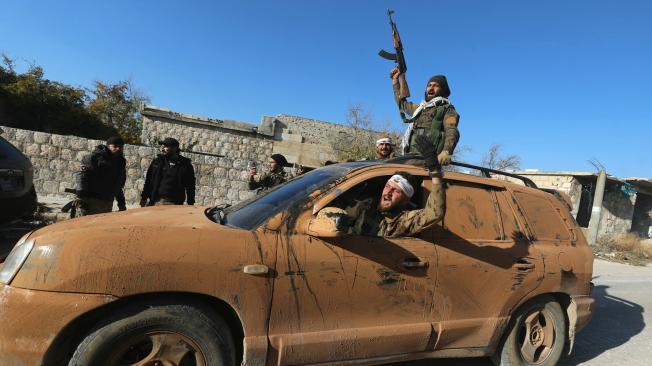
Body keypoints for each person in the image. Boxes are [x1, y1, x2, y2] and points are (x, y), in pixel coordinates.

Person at [327, 136, 445, 238]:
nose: (389, 192)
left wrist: (435, 172)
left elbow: (434, 214)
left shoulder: (399, 222)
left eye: (396, 190)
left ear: (406, 200)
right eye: (388, 186)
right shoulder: (366, 205)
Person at [390, 67, 460, 165]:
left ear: (442, 90)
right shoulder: (419, 109)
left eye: (436, 86)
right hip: (409, 156)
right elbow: (402, 104)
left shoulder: (447, 109)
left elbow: (451, 130)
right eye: (429, 85)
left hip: (427, 160)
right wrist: (395, 82)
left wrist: (447, 151)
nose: (431, 88)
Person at [76, 136, 127, 216]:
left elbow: (118, 183)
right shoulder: (94, 158)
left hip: (108, 202)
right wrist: (80, 196)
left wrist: (121, 203)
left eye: (120, 147)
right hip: (91, 201)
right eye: (115, 146)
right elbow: (81, 176)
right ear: (108, 146)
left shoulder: (120, 162)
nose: (118, 149)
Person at [140, 137, 195, 206]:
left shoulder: (185, 165)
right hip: (156, 201)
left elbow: (190, 186)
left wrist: (190, 203)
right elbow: (149, 181)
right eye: (162, 146)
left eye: (165, 146)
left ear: (174, 148)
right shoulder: (157, 162)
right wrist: (144, 197)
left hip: (175, 203)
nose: (162, 149)